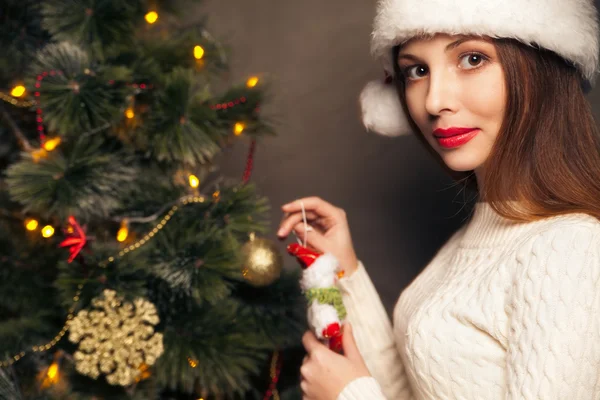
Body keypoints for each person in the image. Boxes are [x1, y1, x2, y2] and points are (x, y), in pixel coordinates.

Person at [277, 0, 600, 399]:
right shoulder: (480, 234)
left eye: (472, 58)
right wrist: (346, 270)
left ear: (539, 69)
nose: (433, 101)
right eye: (417, 70)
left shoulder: (570, 245)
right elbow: (407, 391)